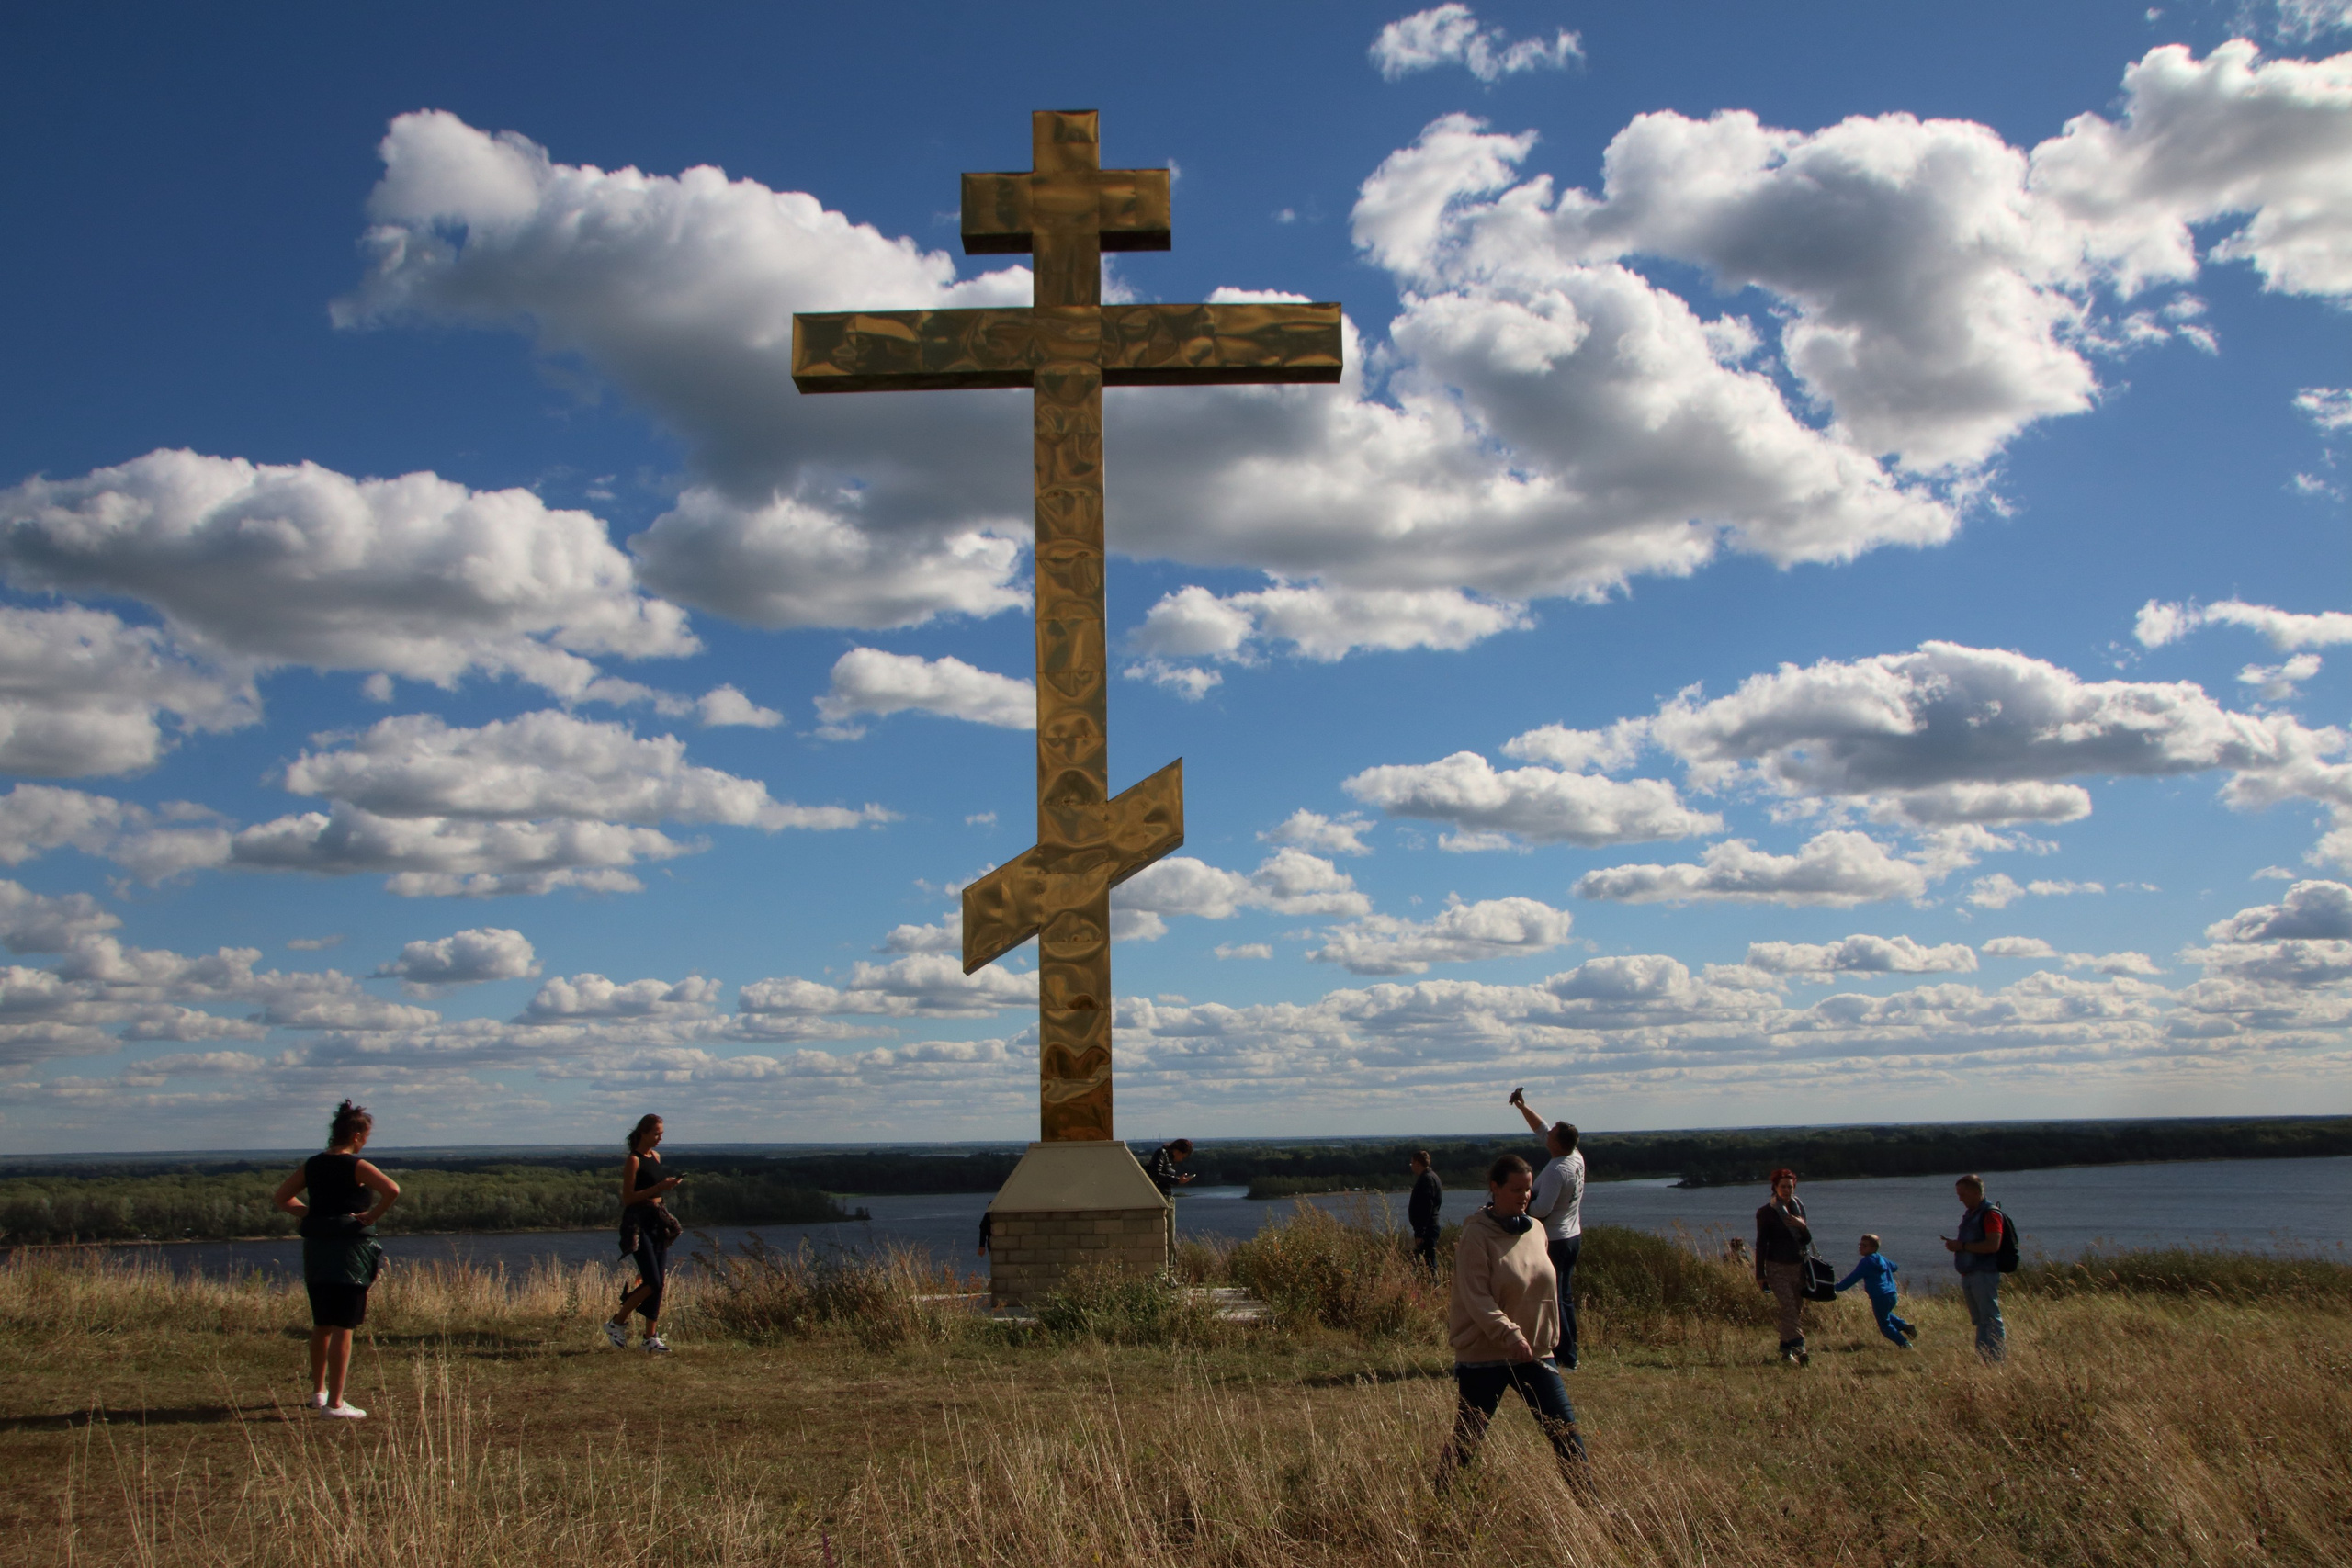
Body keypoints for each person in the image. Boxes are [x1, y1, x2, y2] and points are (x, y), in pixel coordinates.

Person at [1437, 1155, 1589, 1493]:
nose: (1524, 1196)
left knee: (1565, 1432)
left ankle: (1592, 1507)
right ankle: (1439, 1501)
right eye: (1516, 1189)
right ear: (1495, 1188)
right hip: (1485, 1354)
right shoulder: (1476, 1235)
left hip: (1535, 1353)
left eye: (1529, 1189)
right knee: (1467, 1438)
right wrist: (1509, 1333)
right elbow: (1476, 1296)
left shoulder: (1536, 1230)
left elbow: (1543, 1285)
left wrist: (1545, 1337)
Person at [272, 1099, 398, 1419]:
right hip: (350, 1253)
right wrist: (370, 1217)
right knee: (345, 1325)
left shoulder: (313, 1165)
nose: (366, 1141)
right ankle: (336, 1404)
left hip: (317, 1251)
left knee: (321, 1324)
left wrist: (311, 1214)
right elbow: (392, 1190)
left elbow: (281, 1198)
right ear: (356, 1136)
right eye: (366, 1136)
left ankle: (319, 1392)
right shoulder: (357, 1166)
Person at [1510, 1088, 1585, 1371]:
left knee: (1556, 1298)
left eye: (1552, 1133)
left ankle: (1565, 1355)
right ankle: (1571, 1352)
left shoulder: (1556, 1171)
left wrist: (1518, 1205)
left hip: (1555, 1240)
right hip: (1571, 1235)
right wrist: (1521, 1107)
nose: (1547, 1133)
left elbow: (1542, 1210)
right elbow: (1541, 1128)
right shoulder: (1574, 1157)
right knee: (1564, 1296)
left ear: (1558, 1143)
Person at [607, 1113, 682, 1353]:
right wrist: (659, 1187)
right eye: (656, 1133)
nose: (660, 1138)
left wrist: (667, 1186)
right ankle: (616, 1323)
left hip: (657, 1221)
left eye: (662, 1133)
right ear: (643, 1133)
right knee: (652, 1281)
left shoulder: (656, 1157)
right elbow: (628, 1198)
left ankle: (650, 1338)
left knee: (658, 1284)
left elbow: (656, 1192)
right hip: (638, 1223)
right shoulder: (634, 1160)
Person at [1943, 1174, 2007, 1361]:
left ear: (1974, 1192)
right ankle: (1983, 1358)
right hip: (1969, 1273)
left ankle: (1995, 1361)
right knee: (1980, 1320)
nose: (1960, 1199)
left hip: (1984, 1273)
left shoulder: (1990, 1214)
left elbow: (1993, 1245)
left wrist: (1961, 1246)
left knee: (1990, 1319)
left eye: (1962, 1194)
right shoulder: (1971, 1214)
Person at [1753, 1168, 1813, 1365]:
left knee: (1795, 1308)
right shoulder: (1767, 1212)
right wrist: (1760, 1274)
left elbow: (1806, 1240)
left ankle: (1786, 1351)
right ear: (1775, 1188)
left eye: (1790, 1186)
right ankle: (1799, 1346)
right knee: (1788, 1306)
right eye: (1783, 1187)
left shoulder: (1798, 1208)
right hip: (1776, 1265)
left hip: (1798, 1266)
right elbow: (1761, 1244)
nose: (1787, 1190)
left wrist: (1801, 1226)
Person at [1835, 1233, 1917, 1349]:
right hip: (1892, 1295)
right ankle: (1905, 1326)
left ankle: (1905, 1344)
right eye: (1860, 1244)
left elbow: (1852, 1279)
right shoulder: (1882, 1259)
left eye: (1865, 1245)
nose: (1861, 1247)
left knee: (1885, 1326)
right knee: (1886, 1314)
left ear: (1873, 1248)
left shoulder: (1866, 1262)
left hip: (1879, 1296)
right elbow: (1895, 1267)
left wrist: (1835, 1287)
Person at [1407, 1150, 1444, 1276]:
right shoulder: (1431, 1177)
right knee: (1424, 1263)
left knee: (1428, 1263)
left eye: (1412, 1163)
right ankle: (1426, 1289)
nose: (1411, 1166)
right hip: (1429, 1228)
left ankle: (1434, 1289)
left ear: (1418, 1163)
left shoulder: (1427, 1180)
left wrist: (1420, 1232)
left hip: (1427, 1229)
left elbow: (1426, 1207)